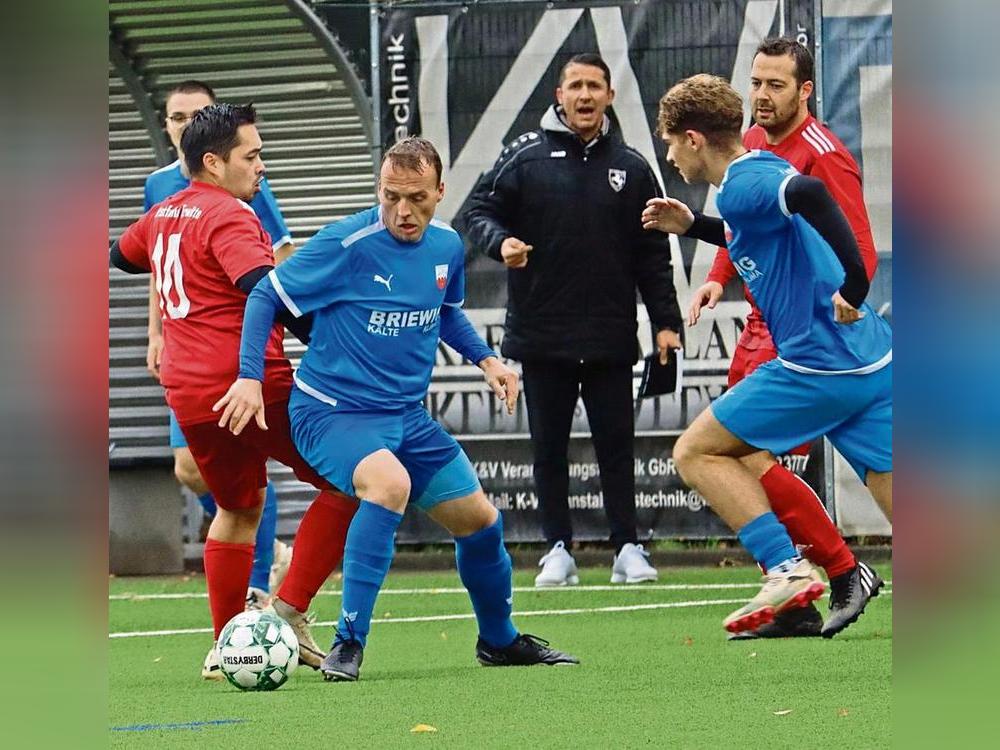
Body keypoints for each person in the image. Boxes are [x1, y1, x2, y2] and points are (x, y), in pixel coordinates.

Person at [215, 136, 579, 682]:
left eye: (416, 199)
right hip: (331, 412)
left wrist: (488, 361)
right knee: (388, 486)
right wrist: (248, 376)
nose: (403, 211)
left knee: (480, 522)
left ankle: (498, 640)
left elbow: (446, 311)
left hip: (405, 416)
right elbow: (266, 294)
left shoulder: (447, 247)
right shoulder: (347, 242)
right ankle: (348, 640)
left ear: (439, 192)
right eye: (391, 197)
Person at [111, 103, 358, 677]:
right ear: (214, 162)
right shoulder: (230, 215)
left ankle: (229, 646)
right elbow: (264, 290)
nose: (261, 166)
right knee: (356, 480)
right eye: (253, 155)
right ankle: (287, 612)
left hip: (189, 393)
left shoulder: (163, 211)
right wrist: (330, 339)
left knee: (238, 509)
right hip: (250, 385)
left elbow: (118, 257)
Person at [641, 74, 892, 636]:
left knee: (696, 452)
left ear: (693, 139)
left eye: (670, 142)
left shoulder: (741, 183)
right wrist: (694, 225)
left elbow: (809, 194)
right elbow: (759, 227)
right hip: (870, 358)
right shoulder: (749, 174)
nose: (670, 155)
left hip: (817, 363)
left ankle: (785, 569)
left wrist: (854, 285)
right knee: (892, 481)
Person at [461, 53, 682, 587]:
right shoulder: (525, 157)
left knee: (616, 448)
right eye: (575, 86)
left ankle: (628, 548)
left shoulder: (631, 167)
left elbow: (652, 255)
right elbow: (476, 212)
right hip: (543, 337)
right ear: (558, 95)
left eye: (595, 87)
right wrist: (501, 243)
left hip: (609, 337)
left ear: (609, 95)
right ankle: (556, 548)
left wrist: (665, 322)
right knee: (548, 450)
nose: (585, 96)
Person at [143, 80, 293, 609]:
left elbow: (276, 256)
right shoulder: (170, 191)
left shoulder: (235, 192)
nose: (182, 123)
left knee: (239, 493)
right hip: (225, 369)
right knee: (359, 477)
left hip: (195, 375)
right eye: (175, 116)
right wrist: (155, 330)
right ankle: (284, 600)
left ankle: (245, 605)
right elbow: (261, 285)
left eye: (194, 114)